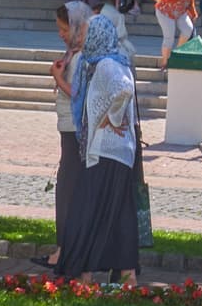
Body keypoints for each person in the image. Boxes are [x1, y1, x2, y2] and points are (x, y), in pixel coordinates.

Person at [54, 15, 139, 286]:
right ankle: (125, 274)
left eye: (86, 32)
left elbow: (124, 91)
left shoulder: (106, 65)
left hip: (105, 151)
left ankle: (82, 273)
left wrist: (110, 119)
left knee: (85, 209)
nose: (82, 37)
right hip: (119, 151)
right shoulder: (114, 61)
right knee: (118, 212)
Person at [31, 1, 93, 270]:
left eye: (64, 29)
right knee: (68, 188)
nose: (61, 34)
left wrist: (58, 78)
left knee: (68, 190)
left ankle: (65, 252)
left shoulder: (82, 57)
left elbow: (79, 94)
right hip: (69, 128)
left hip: (75, 129)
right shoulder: (74, 54)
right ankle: (64, 249)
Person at [151, 0, 200, 70]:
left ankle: (176, 54)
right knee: (169, 37)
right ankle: (165, 63)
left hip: (180, 11)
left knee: (188, 30)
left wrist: (193, 13)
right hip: (165, 12)